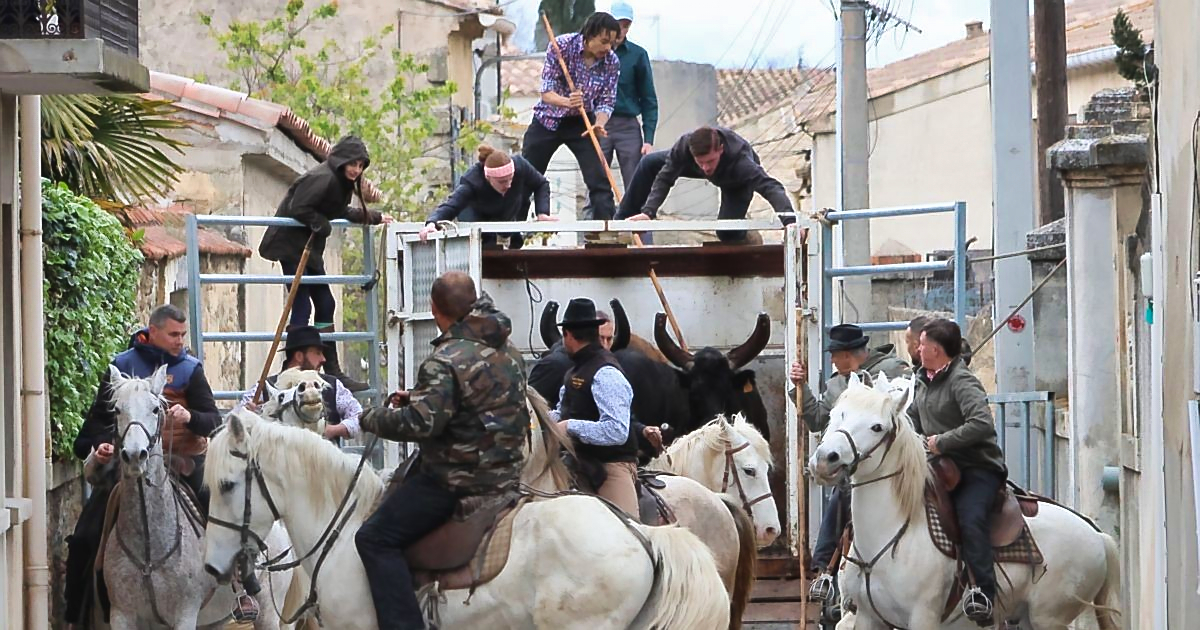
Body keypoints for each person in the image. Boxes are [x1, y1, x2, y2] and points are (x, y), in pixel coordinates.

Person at [354, 272, 528, 630]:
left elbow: (420, 426)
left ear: (434, 309)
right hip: (508, 474)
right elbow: (479, 401)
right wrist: (419, 398)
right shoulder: (507, 350)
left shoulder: (444, 359)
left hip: (455, 482)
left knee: (373, 538)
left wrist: (372, 418)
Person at [65, 305, 240, 625]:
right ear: (153, 331)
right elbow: (94, 429)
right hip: (128, 467)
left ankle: (243, 586)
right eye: (174, 335)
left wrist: (191, 417)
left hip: (185, 461)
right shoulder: (121, 366)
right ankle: (77, 611)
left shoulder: (190, 369)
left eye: (183, 335)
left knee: (227, 511)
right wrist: (101, 446)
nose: (180, 341)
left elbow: (214, 420)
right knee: (85, 535)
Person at [259, 135, 392, 392]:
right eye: (352, 163)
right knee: (301, 306)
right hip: (291, 246)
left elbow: (339, 211)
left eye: (361, 165)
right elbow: (299, 206)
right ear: (342, 160)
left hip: (308, 247)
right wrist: (319, 222)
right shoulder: (324, 178)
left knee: (325, 303)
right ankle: (293, 370)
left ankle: (332, 369)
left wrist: (374, 217)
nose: (356, 169)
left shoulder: (341, 182)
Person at [789, 324, 910, 594]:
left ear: (849, 354)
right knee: (842, 494)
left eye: (835, 354)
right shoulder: (836, 384)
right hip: (855, 465)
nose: (832, 360)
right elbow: (817, 419)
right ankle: (825, 571)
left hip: (891, 461)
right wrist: (800, 388)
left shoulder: (893, 371)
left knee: (842, 495)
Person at [910, 318, 1006, 626]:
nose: (917, 347)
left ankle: (984, 594)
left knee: (970, 518)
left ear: (936, 350)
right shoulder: (923, 379)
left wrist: (942, 441)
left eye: (922, 344)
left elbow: (981, 423)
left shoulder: (962, 381)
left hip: (975, 467)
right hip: (939, 467)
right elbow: (912, 418)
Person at [615, 125, 797, 241]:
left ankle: (748, 236)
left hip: (734, 180)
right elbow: (665, 178)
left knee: (726, 232)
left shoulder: (741, 162)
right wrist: (648, 212)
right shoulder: (684, 148)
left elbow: (771, 187)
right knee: (649, 163)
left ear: (721, 150)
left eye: (709, 161)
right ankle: (618, 223)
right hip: (690, 163)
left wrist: (790, 221)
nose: (705, 168)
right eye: (700, 161)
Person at [523, 12, 622, 220]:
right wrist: (569, 102)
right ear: (589, 35)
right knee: (525, 178)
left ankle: (607, 236)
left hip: (582, 124)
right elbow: (547, 93)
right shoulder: (561, 46)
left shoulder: (612, 62)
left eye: (612, 43)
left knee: (599, 180)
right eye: (604, 41)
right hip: (547, 121)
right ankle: (511, 235)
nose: (608, 48)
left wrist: (599, 124)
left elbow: (607, 100)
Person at [528, 308, 663, 454]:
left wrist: (569, 426)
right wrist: (531, 421)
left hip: (609, 463)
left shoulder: (607, 373)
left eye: (609, 339)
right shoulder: (571, 369)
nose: (605, 345)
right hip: (575, 457)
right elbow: (565, 412)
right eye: (600, 338)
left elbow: (617, 428)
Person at [549, 297, 639, 516]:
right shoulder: (575, 371)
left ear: (568, 335)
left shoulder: (606, 373)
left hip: (610, 467)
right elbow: (561, 412)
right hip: (577, 463)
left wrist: (570, 426)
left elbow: (617, 431)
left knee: (626, 534)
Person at [238, 325, 363, 442]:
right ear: (299, 356)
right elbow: (232, 424)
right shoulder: (264, 388)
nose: (323, 359)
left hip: (321, 463)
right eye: (317, 353)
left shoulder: (333, 386)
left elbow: (358, 416)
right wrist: (246, 417)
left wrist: (331, 430)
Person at [419, 145, 556, 248]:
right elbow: (452, 205)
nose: (508, 185)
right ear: (488, 177)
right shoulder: (472, 181)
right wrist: (432, 223)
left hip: (508, 213)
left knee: (514, 238)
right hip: (477, 215)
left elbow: (541, 184)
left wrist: (542, 212)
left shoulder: (520, 165)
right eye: (502, 182)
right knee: (483, 242)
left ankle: (511, 239)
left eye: (511, 179)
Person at [601, 1, 658, 190]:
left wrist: (648, 139)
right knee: (596, 179)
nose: (621, 30)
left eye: (625, 26)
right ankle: (593, 216)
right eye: (618, 25)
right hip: (600, 123)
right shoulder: (596, 52)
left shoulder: (638, 55)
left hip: (628, 126)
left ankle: (634, 217)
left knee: (635, 183)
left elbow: (649, 99)